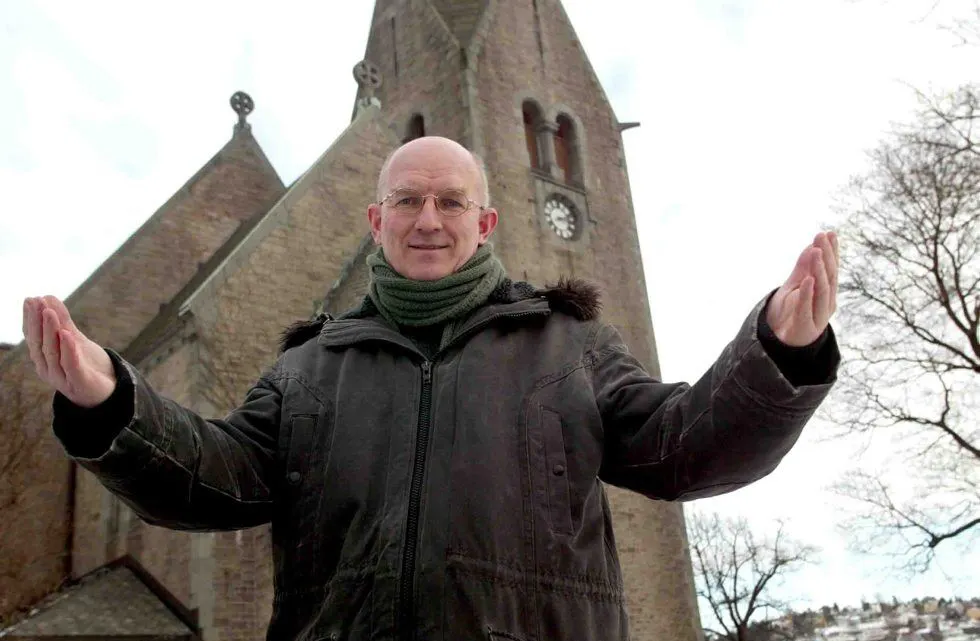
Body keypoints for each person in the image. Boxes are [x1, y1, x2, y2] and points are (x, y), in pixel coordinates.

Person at [23, 136, 840, 641]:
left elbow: (684, 446)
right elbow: (218, 477)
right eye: (407, 201)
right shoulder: (309, 368)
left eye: (450, 201)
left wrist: (776, 350)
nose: (428, 219)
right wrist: (110, 401)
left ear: (484, 223)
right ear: (376, 221)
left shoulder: (571, 346)